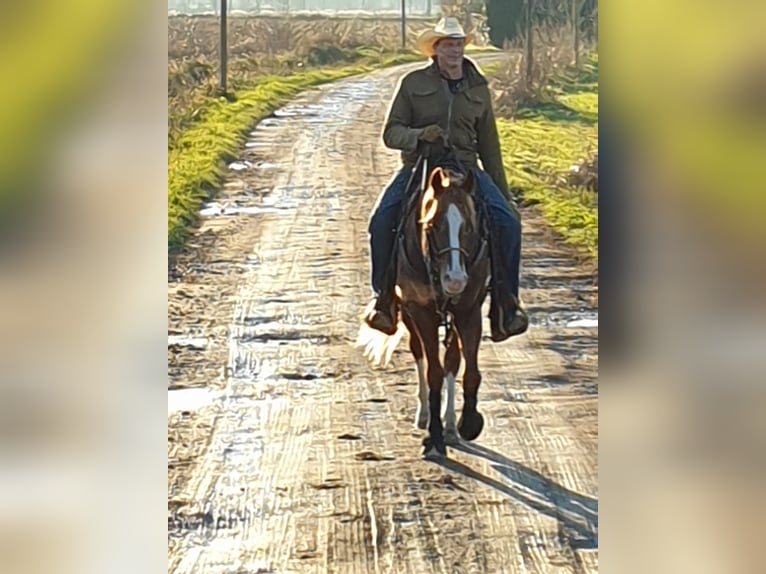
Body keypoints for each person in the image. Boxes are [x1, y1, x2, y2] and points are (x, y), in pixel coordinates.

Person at [365, 17, 528, 342]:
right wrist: (418, 135)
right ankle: (384, 301)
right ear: (435, 50)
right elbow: (391, 133)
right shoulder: (412, 84)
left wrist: (503, 192)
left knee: (509, 224)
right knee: (381, 221)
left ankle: (506, 305)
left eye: (458, 44)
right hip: (420, 166)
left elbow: (490, 145)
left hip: (467, 168)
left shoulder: (478, 88)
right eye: (447, 44)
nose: (454, 50)